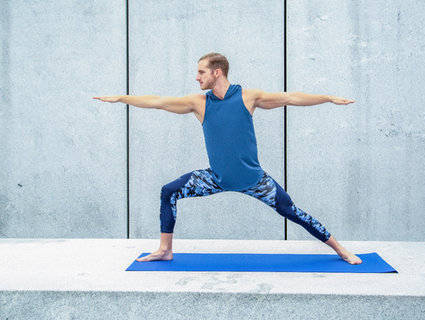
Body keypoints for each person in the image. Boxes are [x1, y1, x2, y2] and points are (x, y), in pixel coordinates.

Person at [94, 53, 362, 265]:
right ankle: (165, 250)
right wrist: (121, 98)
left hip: (255, 181)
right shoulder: (199, 103)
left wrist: (327, 98)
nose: (196, 77)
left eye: (201, 72)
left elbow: (291, 97)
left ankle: (340, 249)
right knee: (169, 191)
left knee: (293, 213)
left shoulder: (248, 97)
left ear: (216, 72)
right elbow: (157, 101)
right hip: (216, 178)